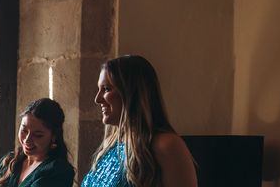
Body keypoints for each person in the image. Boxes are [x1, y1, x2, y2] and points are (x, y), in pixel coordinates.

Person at [82, 55, 197, 187]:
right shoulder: (111, 144)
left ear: (133, 93)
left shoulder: (166, 145)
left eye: (107, 89)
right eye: (99, 89)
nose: (97, 99)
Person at [0, 98, 75, 187]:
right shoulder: (8, 162)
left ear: (54, 136)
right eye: (24, 130)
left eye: (38, 135)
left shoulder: (59, 171)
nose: (27, 140)